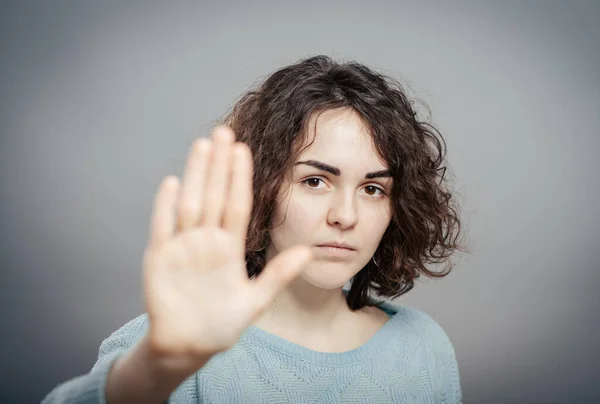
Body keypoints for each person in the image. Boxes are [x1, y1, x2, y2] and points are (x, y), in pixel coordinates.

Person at [42, 55, 466, 403]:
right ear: (261, 187)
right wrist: (156, 368)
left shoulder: (424, 347)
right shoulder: (173, 343)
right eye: (315, 181)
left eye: (373, 188)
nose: (346, 215)